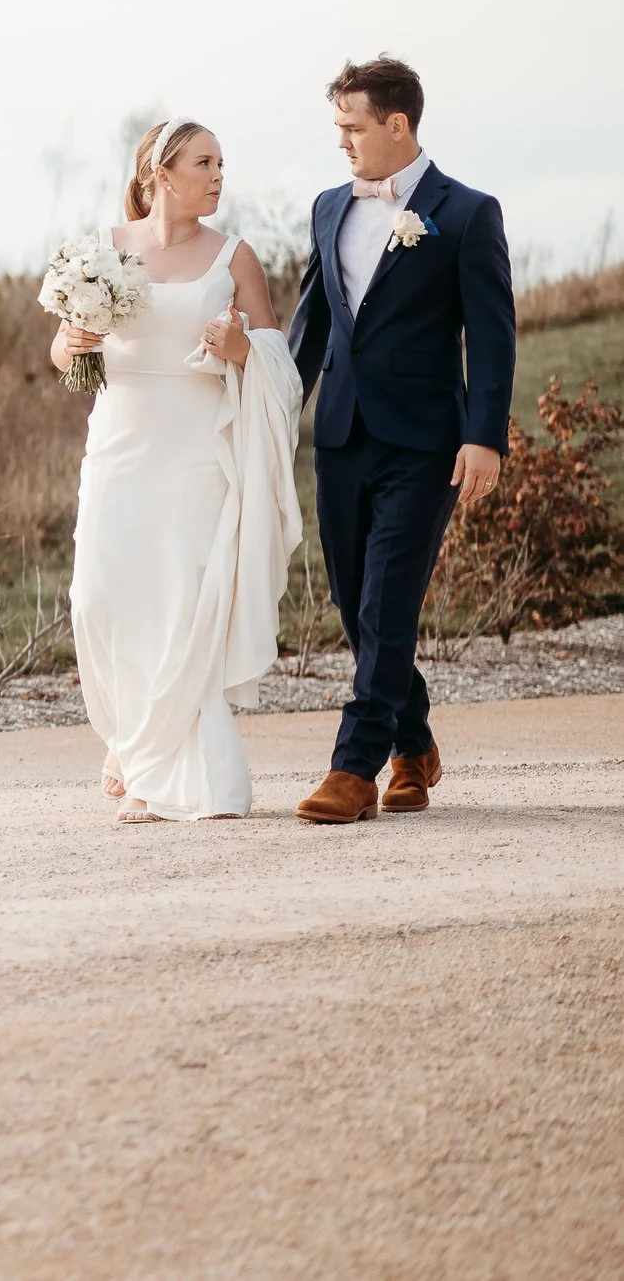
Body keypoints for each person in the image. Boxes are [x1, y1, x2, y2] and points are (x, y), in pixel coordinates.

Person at [288, 57, 515, 823]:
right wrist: (270, 406)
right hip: (341, 434)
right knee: (359, 608)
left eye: (353, 127)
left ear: (398, 125)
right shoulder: (327, 207)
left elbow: (492, 335)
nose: (343, 142)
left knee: (388, 602)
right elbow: (312, 322)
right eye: (338, 128)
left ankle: (354, 768)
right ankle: (414, 746)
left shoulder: (468, 212)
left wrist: (485, 437)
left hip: (426, 443)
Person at [57, 119, 304, 821]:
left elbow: (278, 364)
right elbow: (64, 354)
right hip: (119, 439)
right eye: (205, 162)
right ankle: (128, 739)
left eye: (222, 163)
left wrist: (238, 347)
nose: (219, 175)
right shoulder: (105, 249)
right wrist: (71, 342)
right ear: (161, 174)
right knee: (95, 595)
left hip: (196, 449)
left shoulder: (235, 257)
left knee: (175, 601)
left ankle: (158, 770)